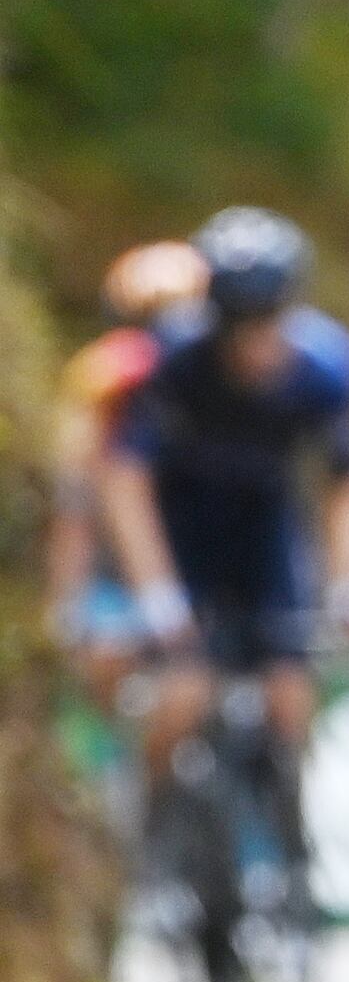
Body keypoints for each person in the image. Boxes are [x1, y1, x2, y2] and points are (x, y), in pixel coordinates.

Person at [95, 208, 349, 889]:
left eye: (268, 321)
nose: (254, 343)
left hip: (266, 529)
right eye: (236, 324)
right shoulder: (169, 362)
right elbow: (124, 479)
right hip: (182, 531)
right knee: (181, 697)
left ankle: (289, 850)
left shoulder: (327, 366)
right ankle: (151, 847)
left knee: (289, 695)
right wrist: (156, 592)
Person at [49, 243, 206, 700]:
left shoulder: (218, 378)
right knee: (108, 664)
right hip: (116, 562)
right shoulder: (110, 374)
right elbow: (76, 493)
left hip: (198, 554)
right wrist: (68, 596)